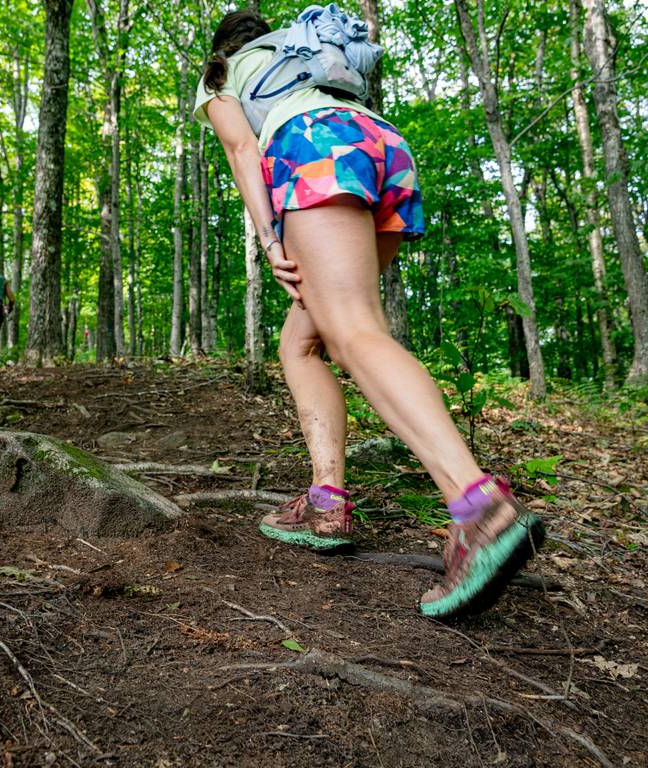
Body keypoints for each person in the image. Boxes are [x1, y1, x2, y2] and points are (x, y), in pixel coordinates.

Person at [195, 6, 545, 620]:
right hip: (383, 146)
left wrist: (271, 241)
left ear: (222, 45)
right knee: (303, 345)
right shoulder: (299, 56)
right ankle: (326, 498)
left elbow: (243, 149)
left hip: (316, 147)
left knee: (356, 330)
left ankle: (478, 505)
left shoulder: (223, 72)